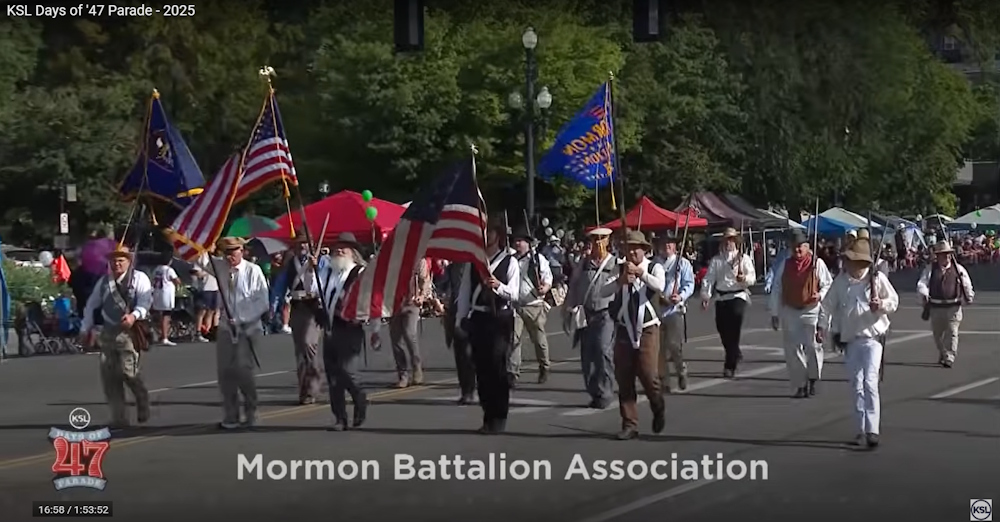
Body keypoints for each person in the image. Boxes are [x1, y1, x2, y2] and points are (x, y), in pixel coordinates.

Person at [818, 237, 898, 449]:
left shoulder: (877, 279)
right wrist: (822, 327)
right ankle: (860, 428)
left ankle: (873, 429)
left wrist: (880, 304)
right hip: (851, 340)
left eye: (853, 261)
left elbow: (894, 301)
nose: (849, 264)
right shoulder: (841, 282)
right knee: (856, 384)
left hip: (873, 338)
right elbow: (827, 306)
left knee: (870, 381)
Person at [598, 229, 666, 440]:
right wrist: (621, 281)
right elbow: (603, 291)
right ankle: (630, 423)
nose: (632, 251)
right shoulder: (619, 269)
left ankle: (657, 404)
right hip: (623, 329)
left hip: (647, 328)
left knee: (648, 374)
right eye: (628, 248)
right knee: (624, 378)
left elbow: (660, 286)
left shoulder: (654, 267)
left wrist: (640, 274)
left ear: (644, 250)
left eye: (636, 248)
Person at [454, 218, 519, 434]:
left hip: (500, 319)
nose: (485, 236)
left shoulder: (510, 262)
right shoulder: (474, 262)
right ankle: (487, 415)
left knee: (497, 367)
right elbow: (464, 294)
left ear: (497, 235)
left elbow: (515, 293)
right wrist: (460, 320)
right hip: (479, 318)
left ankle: (499, 416)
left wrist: (499, 286)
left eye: (489, 232)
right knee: (481, 368)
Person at [79, 245, 153, 428]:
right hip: (108, 332)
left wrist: (134, 315)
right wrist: (84, 328)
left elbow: (146, 301)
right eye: (114, 260)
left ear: (129, 261)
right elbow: (91, 305)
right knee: (109, 376)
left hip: (129, 332)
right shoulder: (104, 282)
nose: (117, 263)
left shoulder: (139, 278)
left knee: (129, 372)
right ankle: (119, 417)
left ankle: (142, 400)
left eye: (121, 260)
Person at [208, 237, 270, 429]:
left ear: (242, 251)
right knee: (225, 372)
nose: (229, 256)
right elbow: (198, 258)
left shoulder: (253, 271)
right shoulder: (219, 267)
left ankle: (251, 410)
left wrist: (242, 318)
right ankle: (231, 414)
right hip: (227, 328)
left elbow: (262, 302)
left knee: (243, 370)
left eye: (233, 251)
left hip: (248, 328)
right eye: (226, 252)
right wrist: (205, 245)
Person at [768, 229, 833, 398]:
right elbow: (777, 288)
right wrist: (775, 313)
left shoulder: (817, 263)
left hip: (811, 309)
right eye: (794, 247)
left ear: (807, 247)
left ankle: (813, 378)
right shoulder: (785, 264)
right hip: (791, 310)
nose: (797, 250)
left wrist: (820, 295)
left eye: (800, 247)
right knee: (793, 349)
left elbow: (828, 285)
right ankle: (800, 384)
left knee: (813, 346)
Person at [318, 233, 368, 431]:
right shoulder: (328, 272)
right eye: (337, 246)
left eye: (344, 247)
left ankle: (359, 395)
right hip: (330, 327)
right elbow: (313, 287)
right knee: (332, 376)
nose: (339, 249)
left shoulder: (360, 272)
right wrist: (310, 267)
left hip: (350, 326)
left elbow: (367, 297)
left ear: (353, 252)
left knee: (347, 371)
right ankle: (340, 418)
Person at [563, 227, 617, 408]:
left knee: (603, 351)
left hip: (606, 314)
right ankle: (594, 392)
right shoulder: (584, 263)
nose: (598, 243)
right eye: (594, 240)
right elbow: (573, 286)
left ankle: (606, 391)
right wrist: (568, 309)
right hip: (585, 314)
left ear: (608, 241)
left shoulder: (615, 263)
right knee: (588, 356)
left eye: (601, 239)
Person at [270, 236, 325, 405]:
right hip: (297, 307)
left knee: (309, 345)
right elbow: (279, 286)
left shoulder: (321, 262)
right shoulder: (290, 264)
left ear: (311, 245)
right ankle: (304, 390)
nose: (302, 246)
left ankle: (313, 386)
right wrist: (273, 306)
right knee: (300, 351)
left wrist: (316, 268)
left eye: (305, 243)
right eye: (299, 243)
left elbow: (327, 280)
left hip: (314, 308)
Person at [700, 227, 756, 378]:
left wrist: (744, 279)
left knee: (734, 328)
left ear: (736, 242)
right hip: (722, 297)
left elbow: (752, 277)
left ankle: (730, 365)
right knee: (722, 329)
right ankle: (734, 351)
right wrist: (706, 295)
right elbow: (709, 279)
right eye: (726, 241)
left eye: (732, 240)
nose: (729, 243)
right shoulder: (717, 260)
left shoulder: (743, 258)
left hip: (738, 296)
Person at [916, 240, 974, 368]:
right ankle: (943, 352)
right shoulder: (930, 269)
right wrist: (924, 294)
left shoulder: (958, 269)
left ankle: (950, 356)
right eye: (943, 254)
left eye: (948, 254)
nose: (946, 257)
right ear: (937, 256)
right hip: (936, 306)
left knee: (952, 331)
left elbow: (966, 284)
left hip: (953, 306)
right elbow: (922, 283)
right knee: (938, 334)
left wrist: (969, 296)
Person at [510, 226, 553, 384]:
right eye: (515, 241)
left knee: (539, 340)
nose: (517, 244)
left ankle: (544, 366)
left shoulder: (538, 259)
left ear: (528, 243)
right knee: (513, 339)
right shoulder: (512, 260)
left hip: (533, 304)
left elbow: (548, 278)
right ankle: (513, 372)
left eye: (520, 241)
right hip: (516, 305)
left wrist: (544, 288)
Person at [654, 231, 695, 393]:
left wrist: (681, 296)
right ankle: (664, 380)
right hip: (657, 310)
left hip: (674, 310)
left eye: (670, 243)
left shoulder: (682, 263)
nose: (667, 246)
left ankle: (681, 370)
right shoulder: (654, 264)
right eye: (664, 243)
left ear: (675, 246)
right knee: (659, 349)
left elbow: (690, 283)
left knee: (674, 346)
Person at [389, 256, 430, 388]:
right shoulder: (390, 258)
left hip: (411, 302)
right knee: (395, 340)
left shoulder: (418, 260)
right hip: (393, 303)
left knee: (409, 334)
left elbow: (425, 280)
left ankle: (417, 367)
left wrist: (422, 296)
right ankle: (403, 374)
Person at [441, 261, 477, 404]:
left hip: (473, 313)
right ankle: (466, 390)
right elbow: (442, 285)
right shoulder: (450, 268)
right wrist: (443, 296)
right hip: (455, 313)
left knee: (472, 354)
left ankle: (475, 387)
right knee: (461, 355)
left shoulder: (475, 266)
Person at [151, 256, 181, 346]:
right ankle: (165, 337)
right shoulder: (169, 270)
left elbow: (152, 280)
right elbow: (177, 280)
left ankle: (162, 335)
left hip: (157, 293)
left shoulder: (156, 269)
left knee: (161, 315)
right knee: (166, 316)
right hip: (166, 295)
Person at [191, 257, 220, 342]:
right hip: (205, 288)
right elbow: (196, 273)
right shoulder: (200, 259)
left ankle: (208, 332)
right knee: (202, 311)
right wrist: (208, 272)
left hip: (215, 287)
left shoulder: (214, 259)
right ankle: (198, 332)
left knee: (211, 311)